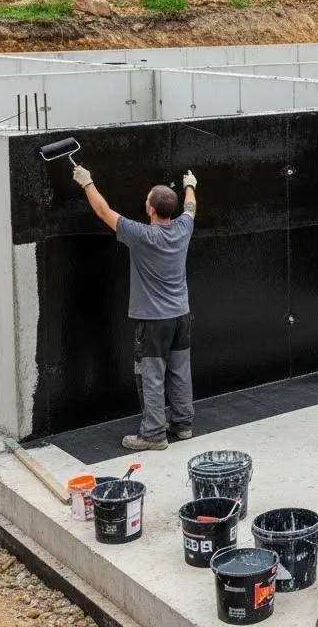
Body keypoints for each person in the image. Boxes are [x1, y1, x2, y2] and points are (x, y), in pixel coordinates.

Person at [74, 164, 199, 451]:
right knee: (180, 370)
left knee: (151, 375)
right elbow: (190, 206)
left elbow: (104, 212)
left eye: (147, 200)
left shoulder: (142, 235)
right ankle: (182, 424)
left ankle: (153, 434)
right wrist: (190, 184)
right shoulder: (183, 228)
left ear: (151, 209)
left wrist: (86, 182)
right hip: (181, 315)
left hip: (153, 322)